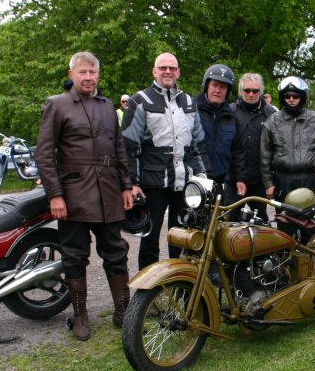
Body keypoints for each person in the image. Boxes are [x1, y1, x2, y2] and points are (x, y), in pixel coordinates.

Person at [36, 52, 134, 341]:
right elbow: (44, 154)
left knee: (116, 253)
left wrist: (126, 185)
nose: (88, 77)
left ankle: (124, 311)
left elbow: (119, 149)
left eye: (93, 72)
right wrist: (55, 195)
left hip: (109, 193)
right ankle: (79, 315)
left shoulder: (107, 106)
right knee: (74, 258)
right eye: (83, 72)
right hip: (74, 195)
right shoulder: (57, 104)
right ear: (71, 74)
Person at [121, 52, 207, 269]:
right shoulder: (139, 100)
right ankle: (146, 287)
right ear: (154, 71)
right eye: (163, 68)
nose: (167, 71)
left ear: (178, 72)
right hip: (153, 183)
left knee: (182, 237)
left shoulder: (189, 102)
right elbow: (128, 146)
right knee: (150, 239)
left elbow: (197, 145)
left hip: (183, 183)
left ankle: (180, 283)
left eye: (172, 68)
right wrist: (131, 183)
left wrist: (202, 176)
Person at [260, 76, 315, 230]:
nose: (291, 99)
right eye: (287, 96)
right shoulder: (272, 122)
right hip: (283, 182)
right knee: (285, 229)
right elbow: (264, 156)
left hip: (310, 181)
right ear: (282, 98)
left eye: (295, 96)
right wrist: (268, 184)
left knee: (312, 228)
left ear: (302, 97)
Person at [226, 73, 276, 220]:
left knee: (261, 222)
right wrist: (237, 177)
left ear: (260, 91)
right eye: (247, 90)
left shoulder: (270, 113)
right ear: (241, 91)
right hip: (234, 179)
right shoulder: (230, 111)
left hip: (259, 180)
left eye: (255, 91)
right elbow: (226, 146)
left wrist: (271, 180)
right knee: (228, 221)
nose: (251, 94)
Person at [196, 64, 236, 186]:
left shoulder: (232, 116)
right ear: (206, 86)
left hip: (222, 182)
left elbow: (236, 151)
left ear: (228, 91)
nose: (218, 90)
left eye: (223, 87)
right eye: (214, 85)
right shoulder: (191, 111)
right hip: (196, 179)